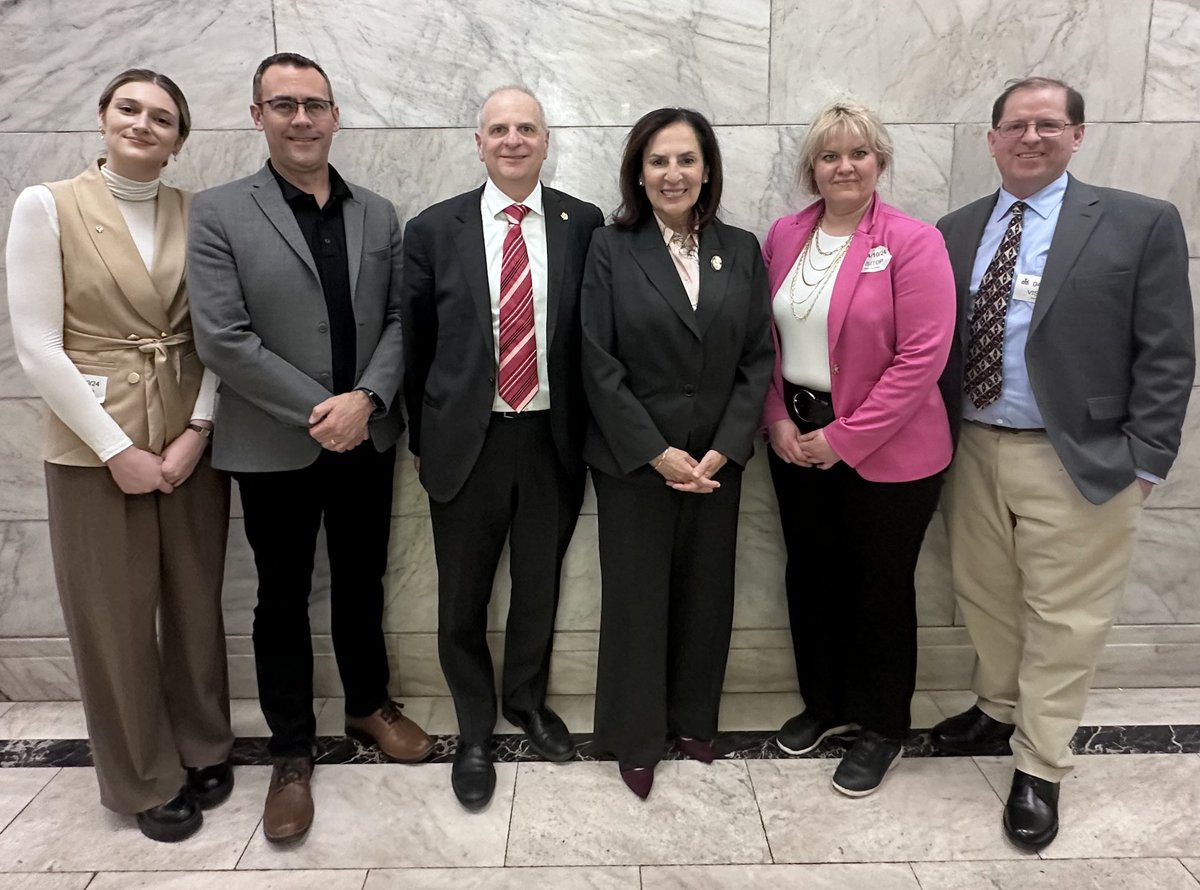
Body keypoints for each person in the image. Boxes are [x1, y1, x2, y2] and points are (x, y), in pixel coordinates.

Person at [932, 77, 1194, 851]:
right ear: (992, 139)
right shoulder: (956, 228)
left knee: (1064, 619)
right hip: (972, 447)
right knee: (983, 595)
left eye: (1049, 124)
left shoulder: (1137, 223)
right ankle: (998, 708)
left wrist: (1144, 459)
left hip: (1078, 458)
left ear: (1078, 135)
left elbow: (1168, 353)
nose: (1031, 137)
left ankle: (1041, 762)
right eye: (1016, 125)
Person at [187, 52, 432, 844]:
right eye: (283, 105)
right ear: (258, 116)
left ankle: (367, 706)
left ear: (334, 116)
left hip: (368, 433)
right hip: (273, 442)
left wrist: (367, 401)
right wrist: (320, 410)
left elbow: (402, 322)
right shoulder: (221, 211)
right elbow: (222, 338)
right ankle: (292, 752)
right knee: (281, 597)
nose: (301, 119)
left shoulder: (379, 213)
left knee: (361, 581)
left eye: (315, 105)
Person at [5, 69, 234, 842]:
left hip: (188, 437)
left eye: (162, 117)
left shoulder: (197, 213)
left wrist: (196, 431)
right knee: (113, 619)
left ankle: (203, 742)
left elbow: (218, 334)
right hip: (91, 446)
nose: (144, 124)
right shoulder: (48, 205)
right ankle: (141, 777)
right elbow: (36, 344)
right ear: (103, 119)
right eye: (129, 109)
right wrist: (115, 449)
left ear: (179, 138)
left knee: (196, 601)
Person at [402, 85, 603, 811]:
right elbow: (415, 340)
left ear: (546, 142)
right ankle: (474, 728)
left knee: (538, 586)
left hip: (552, 436)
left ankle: (527, 701)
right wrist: (423, 439)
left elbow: (594, 336)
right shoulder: (432, 229)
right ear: (478, 143)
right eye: (498, 129)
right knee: (461, 596)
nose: (513, 140)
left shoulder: (584, 223)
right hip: (467, 441)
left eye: (527, 128)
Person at [761, 102, 956, 797]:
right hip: (794, 441)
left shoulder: (911, 240)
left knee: (878, 588)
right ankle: (826, 704)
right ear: (810, 167)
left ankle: (881, 726)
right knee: (811, 577)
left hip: (889, 452)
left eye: (859, 153)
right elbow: (766, 341)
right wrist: (776, 419)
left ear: (880, 161)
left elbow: (922, 357)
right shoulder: (784, 236)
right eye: (829, 155)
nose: (844, 166)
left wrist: (844, 439)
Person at [581, 107, 774, 799]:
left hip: (716, 464)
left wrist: (725, 448)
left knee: (705, 595)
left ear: (707, 169)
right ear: (639, 171)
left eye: (686, 160)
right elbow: (597, 362)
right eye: (659, 161)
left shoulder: (741, 248)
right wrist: (655, 451)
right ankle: (636, 736)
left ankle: (695, 720)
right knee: (638, 600)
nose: (673, 173)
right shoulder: (610, 247)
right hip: (635, 462)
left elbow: (758, 357)